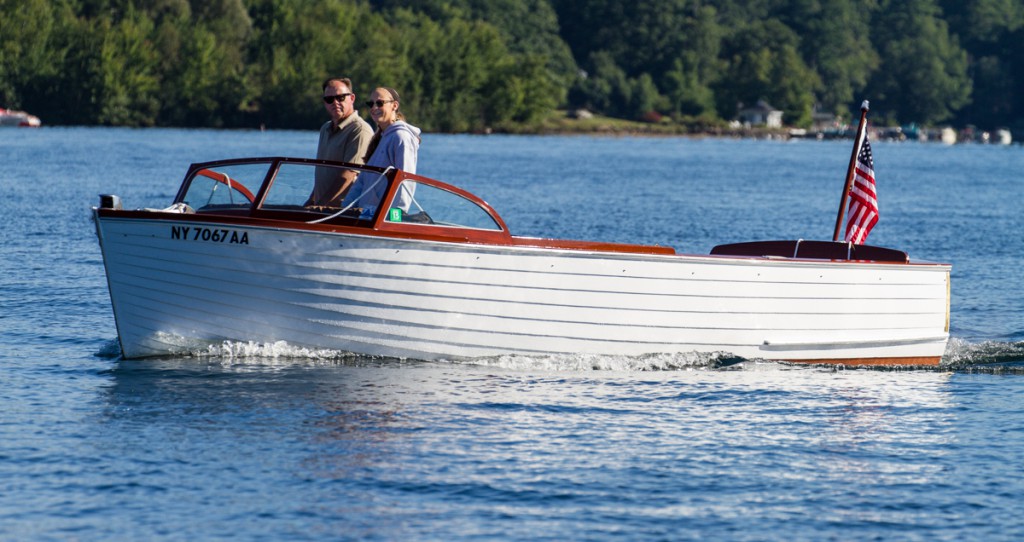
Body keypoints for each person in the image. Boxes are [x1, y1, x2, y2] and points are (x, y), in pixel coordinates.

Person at [340, 87, 421, 217]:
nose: (374, 107)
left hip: (382, 220)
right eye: (371, 104)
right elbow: (362, 181)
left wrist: (395, 218)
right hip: (366, 216)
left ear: (394, 106)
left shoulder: (401, 137)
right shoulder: (380, 138)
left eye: (379, 103)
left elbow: (405, 181)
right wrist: (344, 211)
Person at [307, 77, 374, 207]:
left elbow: (348, 175)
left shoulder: (360, 130)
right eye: (329, 99)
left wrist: (319, 206)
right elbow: (323, 174)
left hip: (343, 213)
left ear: (352, 98)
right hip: (322, 210)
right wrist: (311, 201)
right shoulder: (325, 129)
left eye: (340, 97)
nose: (335, 102)